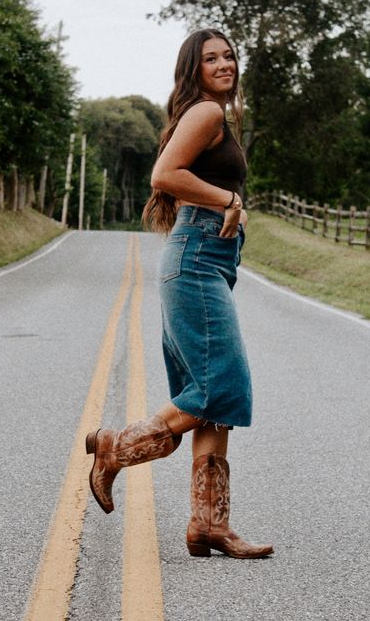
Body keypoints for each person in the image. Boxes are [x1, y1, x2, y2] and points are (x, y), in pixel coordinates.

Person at [86, 29, 273, 559]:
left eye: (229, 55)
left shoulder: (215, 115)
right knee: (223, 386)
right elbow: (164, 174)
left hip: (205, 262)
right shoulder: (207, 113)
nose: (224, 63)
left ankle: (208, 525)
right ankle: (114, 449)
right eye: (210, 58)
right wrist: (228, 199)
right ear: (193, 70)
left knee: (213, 397)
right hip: (196, 261)